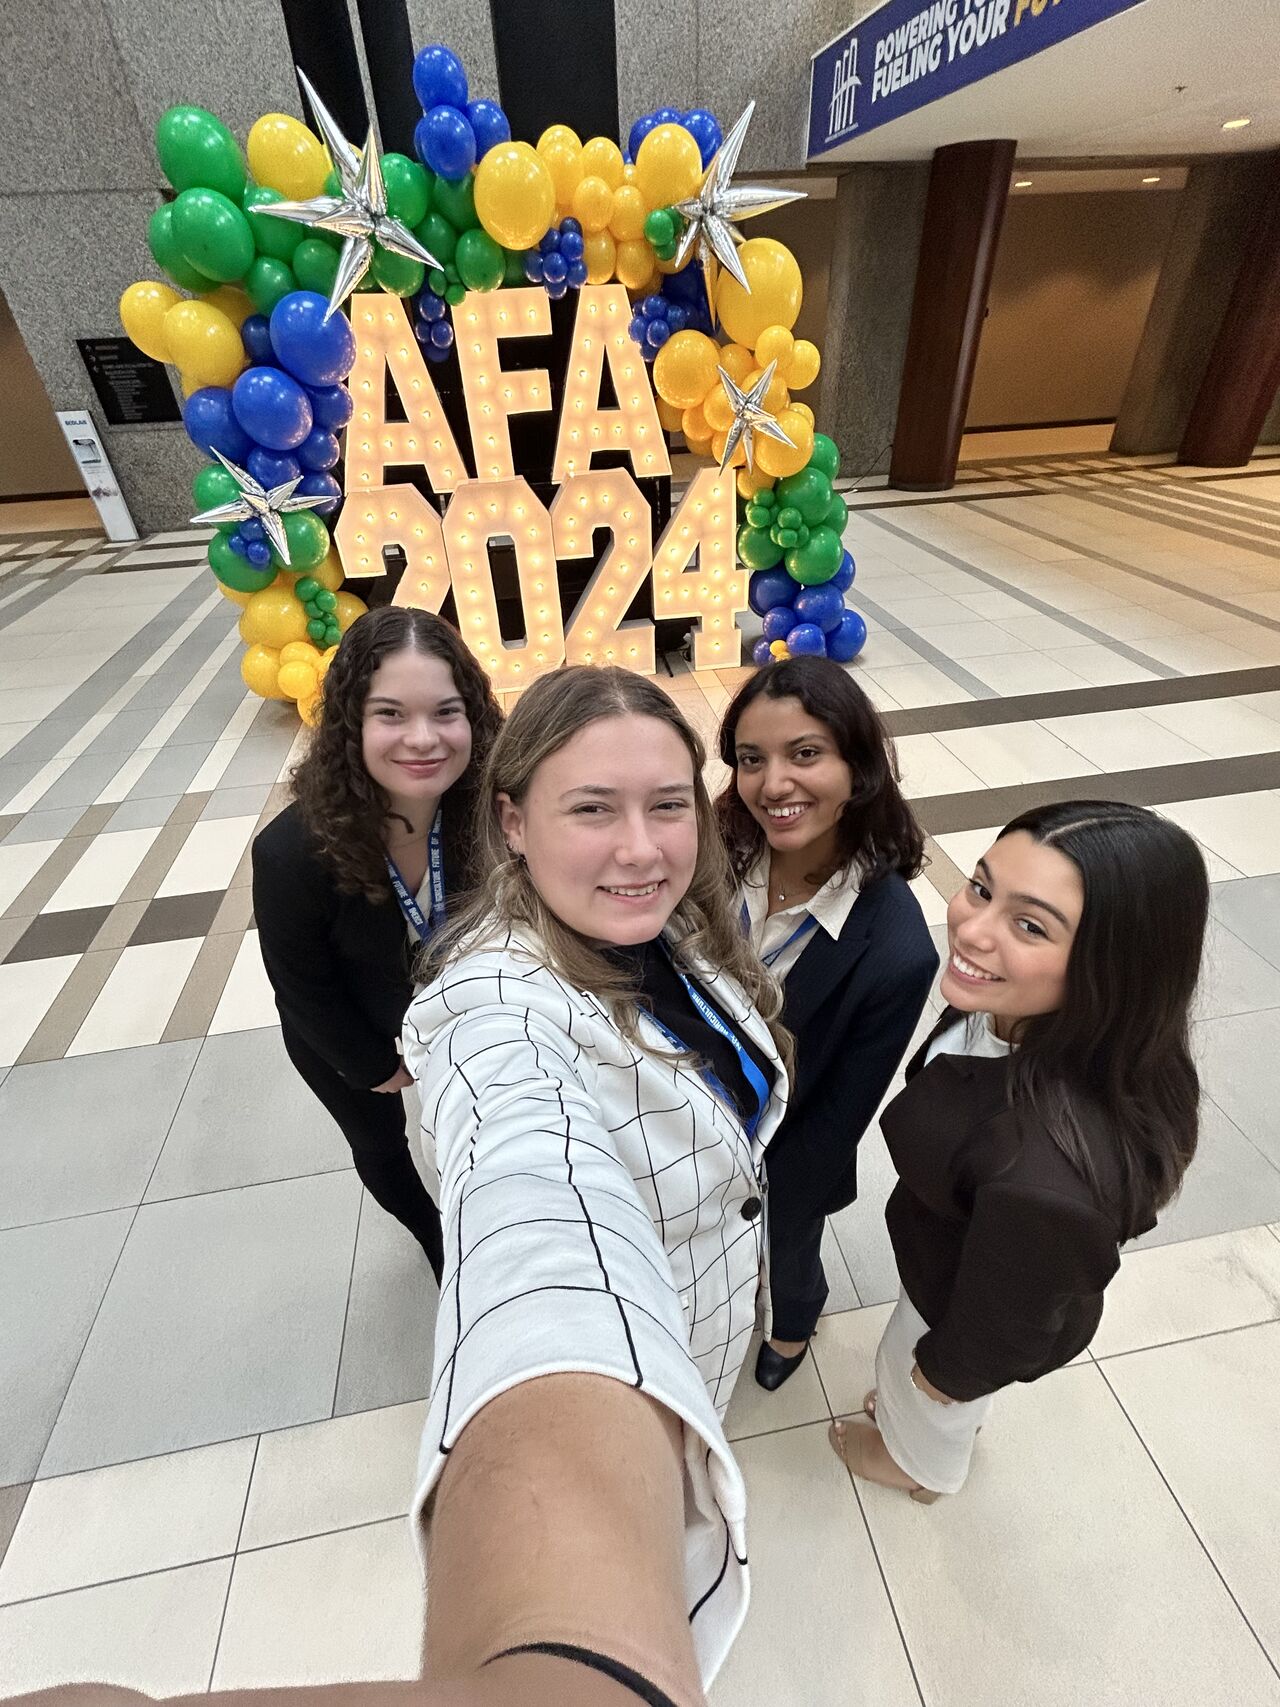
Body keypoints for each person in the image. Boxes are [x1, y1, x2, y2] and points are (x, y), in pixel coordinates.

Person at [399, 665, 792, 1706]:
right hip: (639, 1377)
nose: (641, 847)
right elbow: (529, 1180)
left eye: (668, 806)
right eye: (591, 809)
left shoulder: (673, 923)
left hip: (705, 1330)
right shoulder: (497, 1006)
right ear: (511, 821)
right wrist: (556, 1648)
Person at [829, 799, 1208, 1502]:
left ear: (1112, 965)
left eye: (1029, 924)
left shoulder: (1046, 1172)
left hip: (961, 1303)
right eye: (981, 887)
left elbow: (1003, 1325)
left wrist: (937, 1378)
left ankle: (920, 1468)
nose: (970, 929)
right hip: (965, 1256)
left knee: (926, 1388)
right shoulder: (1026, 1017)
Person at [251, 606, 501, 1281]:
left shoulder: (492, 810)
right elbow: (302, 990)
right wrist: (372, 1066)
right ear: (351, 723)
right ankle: (435, 1239)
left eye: (446, 712)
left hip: (464, 1011)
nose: (423, 739)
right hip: (349, 1027)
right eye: (390, 713)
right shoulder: (293, 853)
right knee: (378, 1140)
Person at [717, 657, 937, 1390]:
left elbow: (842, 1111)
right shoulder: (715, 852)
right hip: (689, 1118)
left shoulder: (895, 947)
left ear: (859, 766)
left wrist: (769, 1184)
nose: (773, 784)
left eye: (805, 753)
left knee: (787, 1249)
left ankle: (793, 1321)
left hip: (787, 1147)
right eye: (753, 759)